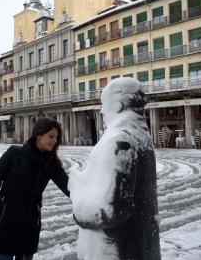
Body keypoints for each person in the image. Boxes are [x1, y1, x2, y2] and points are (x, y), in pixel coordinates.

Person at [69, 77, 161, 260]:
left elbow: (111, 210)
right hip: (140, 246)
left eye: (104, 104)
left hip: (114, 250)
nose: (101, 110)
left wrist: (77, 198)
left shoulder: (120, 141)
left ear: (118, 104)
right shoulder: (142, 137)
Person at [0, 117, 69, 260]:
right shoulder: (14, 153)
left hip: (29, 226)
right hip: (5, 223)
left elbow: (70, 187)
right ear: (39, 135)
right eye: (51, 136)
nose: (54, 140)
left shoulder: (51, 163)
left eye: (56, 137)